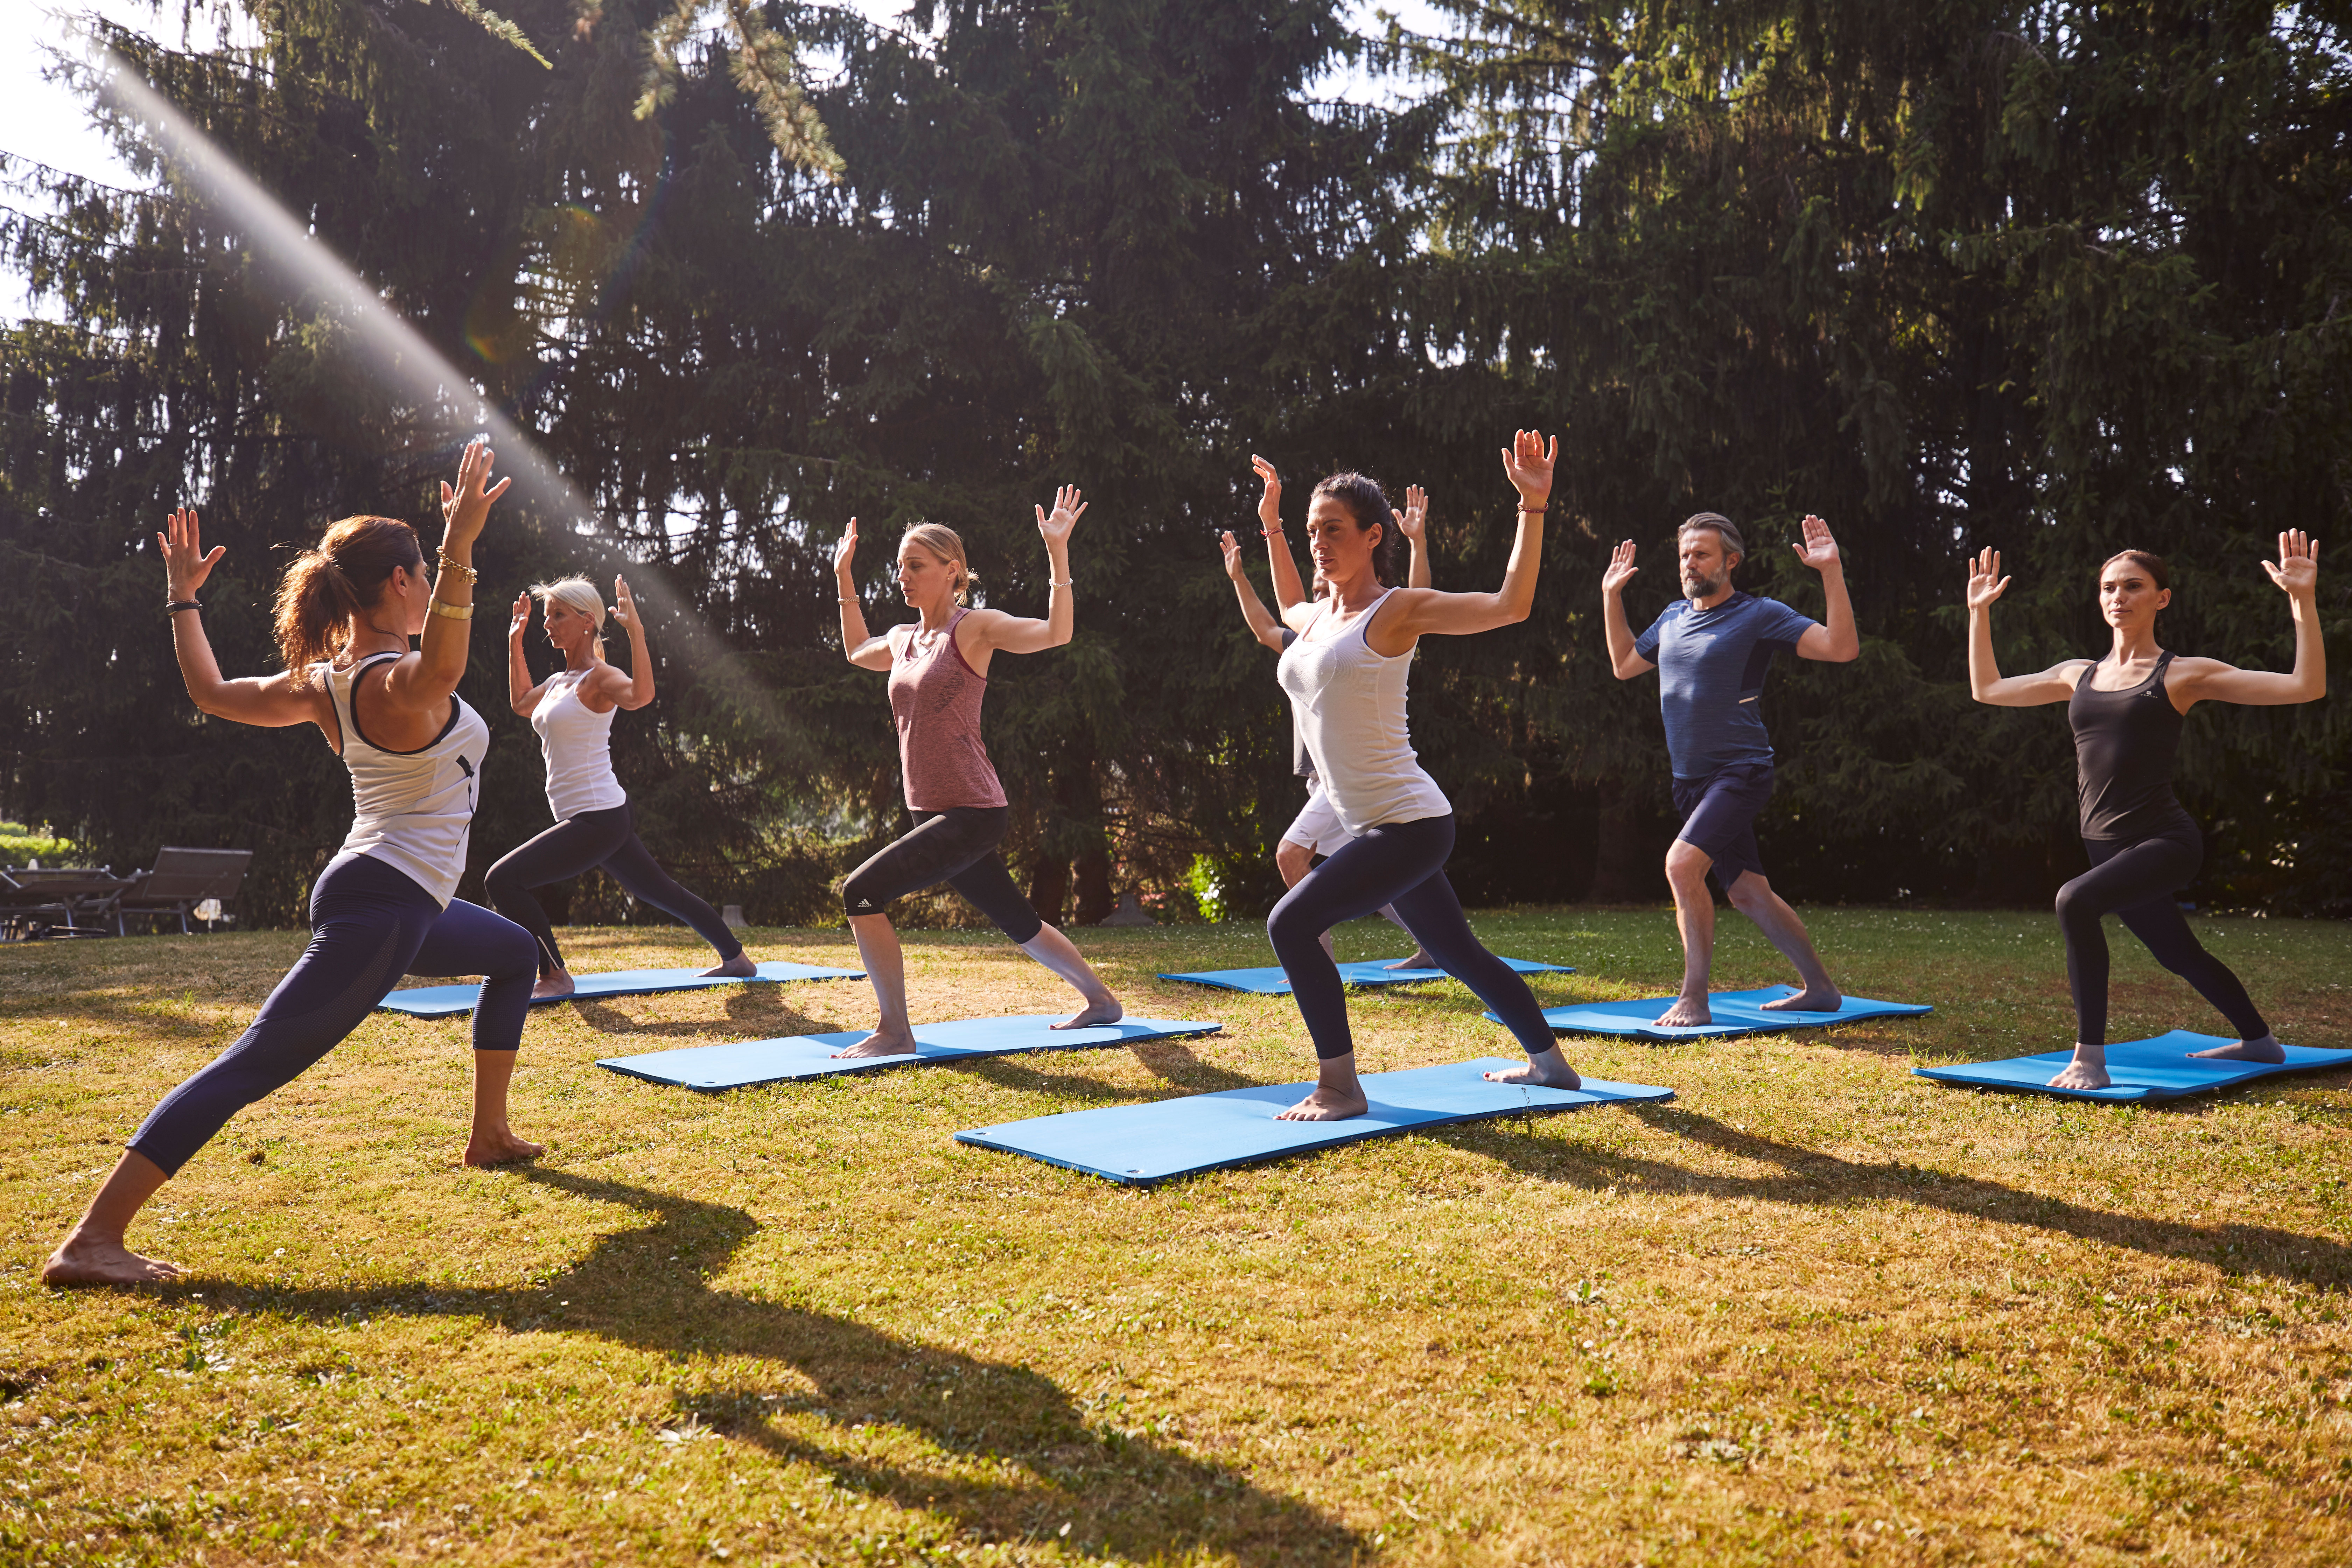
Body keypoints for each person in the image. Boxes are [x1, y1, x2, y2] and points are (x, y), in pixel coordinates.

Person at [43, 441, 542, 1288]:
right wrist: (462, 542)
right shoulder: (388, 684)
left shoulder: (325, 683)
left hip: (391, 894)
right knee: (255, 1062)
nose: (433, 587)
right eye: (425, 574)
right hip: (383, 904)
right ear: (400, 583)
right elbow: (448, 668)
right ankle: (93, 1238)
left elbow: (211, 693)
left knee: (514, 953)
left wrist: (182, 601)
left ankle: (489, 1133)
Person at [1265, 432, 1581, 1121]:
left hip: (1411, 824)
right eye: (1312, 530)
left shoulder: (1397, 610)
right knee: (1455, 949)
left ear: (1373, 535)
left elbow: (1510, 605)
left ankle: (1341, 1086)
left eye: (1334, 530)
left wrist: (1532, 507)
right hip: (1374, 825)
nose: (1319, 541)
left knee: (1289, 926)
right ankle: (1552, 1064)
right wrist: (1271, 523)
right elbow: (1287, 599)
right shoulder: (1317, 617)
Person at [1965, 534, 2325, 1090]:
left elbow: (2305, 686)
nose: (2119, 597)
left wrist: (2302, 600)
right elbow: (1988, 689)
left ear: (2162, 599)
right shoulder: (2076, 674)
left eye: (2134, 587)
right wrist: (1978, 613)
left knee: (2075, 900)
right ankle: (2260, 1042)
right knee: (2178, 953)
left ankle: (2090, 1058)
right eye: (2109, 588)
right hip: (2106, 845)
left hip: (2165, 843)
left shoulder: (2181, 674)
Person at [828, 491, 1122, 1057]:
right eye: (899, 568)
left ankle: (895, 1031)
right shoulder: (903, 639)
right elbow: (855, 650)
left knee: (862, 893)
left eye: (915, 566)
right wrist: (845, 576)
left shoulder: (976, 629)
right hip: (931, 811)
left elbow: (1055, 634)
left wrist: (1058, 553)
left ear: (952, 571)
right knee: (1017, 918)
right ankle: (1101, 999)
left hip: (971, 811)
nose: (904, 577)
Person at [1601, 512, 1859, 1026]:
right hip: (1690, 782)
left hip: (1740, 772)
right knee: (1747, 892)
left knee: (1680, 865)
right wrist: (1612, 597)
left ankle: (1694, 998)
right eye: (1684, 556)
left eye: (1701, 554)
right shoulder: (1672, 617)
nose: (1690, 564)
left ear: (1731, 561)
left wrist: (1831, 572)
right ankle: (1822, 989)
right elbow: (1625, 664)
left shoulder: (1759, 615)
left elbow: (1841, 648)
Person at [487, 574, 751, 998]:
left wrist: (636, 632)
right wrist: (514, 642)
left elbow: (641, 695)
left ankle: (554, 975)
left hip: (598, 818)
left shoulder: (600, 677)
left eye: (557, 615)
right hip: (595, 815)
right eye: (547, 616)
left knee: (502, 880)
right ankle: (736, 958)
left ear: (587, 621)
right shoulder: (558, 683)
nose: (547, 624)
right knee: (660, 891)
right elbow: (521, 703)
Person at [1222, 455, 1434, 966]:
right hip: (1330, 783)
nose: (1324, 591)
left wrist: (1418, 542)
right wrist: (1243, 570)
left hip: (1359, 784)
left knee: (1292, 854)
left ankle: (1316, 952)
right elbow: (1272, 619)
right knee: (1374, 871)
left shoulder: (1371, 626)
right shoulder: (1307, 633)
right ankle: (1428, 943)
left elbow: (1419, 605)